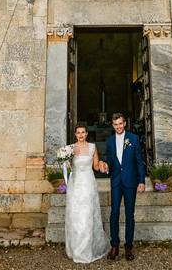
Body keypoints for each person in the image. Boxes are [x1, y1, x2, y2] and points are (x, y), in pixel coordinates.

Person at [100, 113, 146, 261]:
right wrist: (106, 166)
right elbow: (109, 160)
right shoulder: (109, 141)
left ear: (124, 123)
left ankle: (128, 246)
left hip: (131, 181)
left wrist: (142, 181)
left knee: (129, 214)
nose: (118, 126)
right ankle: (114, 246)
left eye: (120, 123)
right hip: (116, 181)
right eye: (115, 124)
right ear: (112, 126)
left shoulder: (133, 139)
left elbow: (139, 161)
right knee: (114, 213)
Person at [64, 124, 110, 263]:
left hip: (88, 184)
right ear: (75, 134)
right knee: (75, 216)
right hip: (75, 185)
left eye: (83, 132)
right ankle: (76, 249)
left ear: (86, 133)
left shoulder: (92, 147)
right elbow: (69, 167)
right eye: (78, 133)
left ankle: (87, 250)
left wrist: (102, 165)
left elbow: (95, 166)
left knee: (87, 215)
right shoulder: (70, 149)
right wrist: (65, 163)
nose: (81, 135)